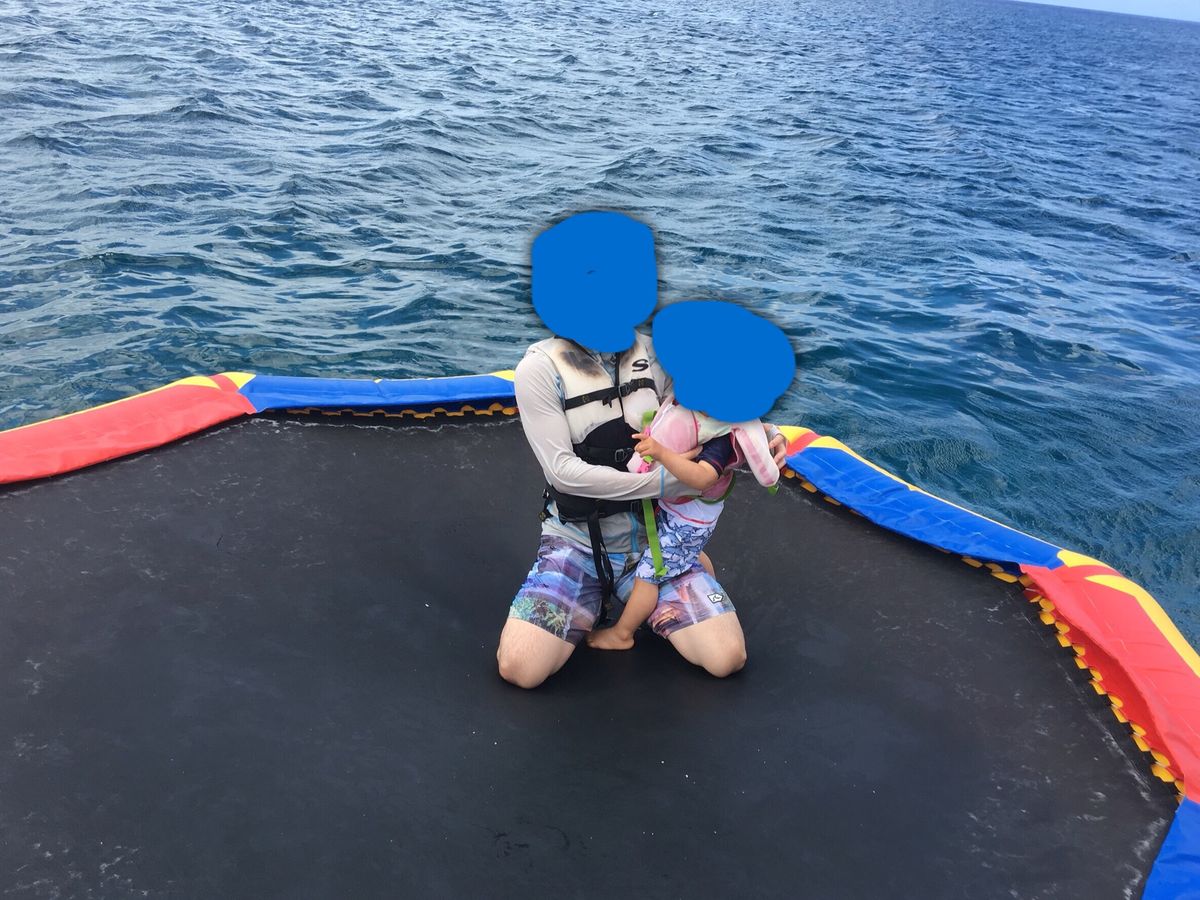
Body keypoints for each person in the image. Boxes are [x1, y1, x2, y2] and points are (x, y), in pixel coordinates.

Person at [495, 333, 787, 688]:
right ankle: (597, 594)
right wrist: (660, 484)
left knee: (726, 656)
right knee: (521, 667)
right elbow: (562, 472)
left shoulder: (657, 354)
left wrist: (766, 433)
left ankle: (684, 563)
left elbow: (711, 411)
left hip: (653, 542)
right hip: (578, 543)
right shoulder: (539, 369)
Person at [586, 399, 781, 652]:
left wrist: (661, 453)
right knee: (691, 554)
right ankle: (705, 582)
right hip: (682, 514)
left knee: (648, 575)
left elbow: (703, 478)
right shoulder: (702, 417)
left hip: (687, 523)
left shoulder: (720, 437)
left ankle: (622, 634)